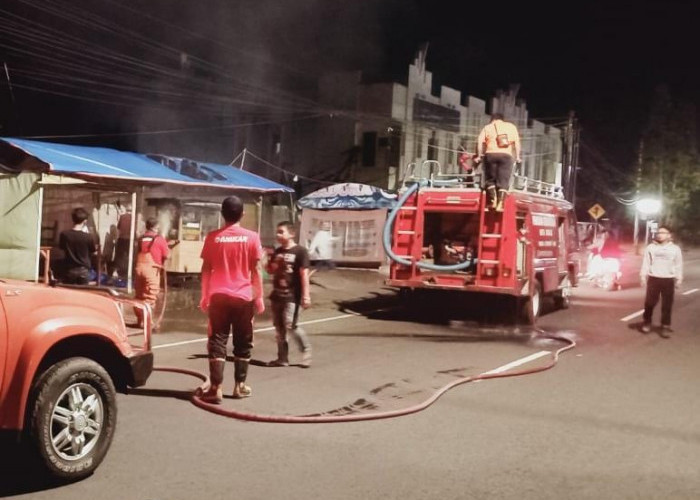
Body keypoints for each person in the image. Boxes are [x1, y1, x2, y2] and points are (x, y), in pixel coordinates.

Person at [198, 196, 265, 403]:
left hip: (218, 296)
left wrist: (204, 295)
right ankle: (239, 386)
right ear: (242, 214)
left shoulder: (212, 237)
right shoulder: (252, 237)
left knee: (217, 340)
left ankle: (216, 388)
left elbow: (206, 269)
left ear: (222, 214)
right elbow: (257, 269)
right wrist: (259, 296)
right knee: (243, 341)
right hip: (243, 296)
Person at [267, 221, 313, 368]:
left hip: (292, 296)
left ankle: (306, 350)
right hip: (277, 295)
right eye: (277, 232)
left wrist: (306, 296)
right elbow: (270, 270)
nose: (278, 235)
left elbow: (304, 274)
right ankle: (282, 358)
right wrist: (265, 260)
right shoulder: (277, 251)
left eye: (281, 232)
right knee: (279, 328)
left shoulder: (300, 251)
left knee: (290, 325)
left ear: (292, 234)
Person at [639, 225, 683, 337]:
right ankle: (647, 322)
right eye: (659, 232)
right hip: (654, 278)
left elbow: (678, 264)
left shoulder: (675, 249)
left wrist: (679, 278)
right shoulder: (651, 247)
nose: (660, 234)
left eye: (663, 233)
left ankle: (665, 326)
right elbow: (646, 263)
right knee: (649, 303)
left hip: (668, 280)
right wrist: (643, 276)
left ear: (669, 235)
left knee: (667, 305)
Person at [475, 113, 522, 211]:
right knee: (503, 180)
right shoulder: (511, 127)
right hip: (506, 156)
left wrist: (479, 155)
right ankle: (500, 204)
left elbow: (479, 141)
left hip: (490, 154)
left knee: (490, 179)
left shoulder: (488, 127)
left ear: (493, 119)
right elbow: (517, 143)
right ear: (502, 119)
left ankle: (493, 200)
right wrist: (518, 157)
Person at [133, 217, 171, 329]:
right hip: (152, 270)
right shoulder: (159, 239)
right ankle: (147, 323)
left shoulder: (140, 239)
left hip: (139, 269)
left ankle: (140, 320)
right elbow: (167, 255)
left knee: (139, 296)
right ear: (156, 227)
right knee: (150, 297)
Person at [58, 207, 97, 285]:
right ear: (85, 221)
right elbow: (93, 252)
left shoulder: (64, 234)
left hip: (69, 270)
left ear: (73, 219)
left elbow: (62, 248)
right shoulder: (89, 237)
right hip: (84, 271)